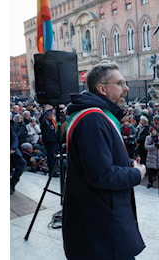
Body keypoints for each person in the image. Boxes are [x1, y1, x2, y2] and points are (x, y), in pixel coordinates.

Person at [63, 61, 147, 260]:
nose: (126, 89)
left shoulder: (99, 116)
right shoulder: (92, 119)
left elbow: (99, 159)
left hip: (104, 222)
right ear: (101, 89)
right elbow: (102, 175)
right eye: (120, 83)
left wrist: (125, 162)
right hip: (101, 230)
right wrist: (136, 173)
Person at [10, 122, 26, 195]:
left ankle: (12, 183)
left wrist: (13, 148)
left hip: (12, 151)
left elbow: (14, 137)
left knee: (22, 163)